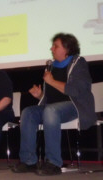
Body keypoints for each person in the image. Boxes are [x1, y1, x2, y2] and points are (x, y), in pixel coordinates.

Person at [12, 33, 97, 176]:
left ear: (67, 49)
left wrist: (51, 82)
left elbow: (76, 90)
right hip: (54, 108)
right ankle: (28, 161)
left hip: (76, 106)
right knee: (28, 112)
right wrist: (40, 95)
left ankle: (53, 163)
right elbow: (52, 96)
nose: (51, 48)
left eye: (55, 46)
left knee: (51, 110)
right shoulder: (51, 67)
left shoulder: (78, 63)